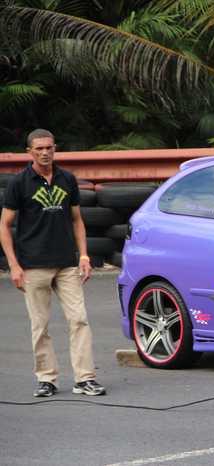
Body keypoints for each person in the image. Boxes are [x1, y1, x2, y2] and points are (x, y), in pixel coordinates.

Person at [0, 129, 106, 397]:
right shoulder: (19, 183)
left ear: (55, 148)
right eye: (39, 149)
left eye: (49, 147)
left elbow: (77, 220)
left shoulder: (67, 179)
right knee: (41, 325)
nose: (45, 152)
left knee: (79, 320)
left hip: (67, 263)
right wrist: (13, 265)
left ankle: (85, 379)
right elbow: (5, 225)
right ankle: (46, 379)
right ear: (29, 152)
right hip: (33, 265)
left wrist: (83, 256)